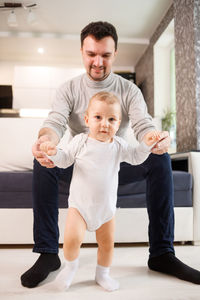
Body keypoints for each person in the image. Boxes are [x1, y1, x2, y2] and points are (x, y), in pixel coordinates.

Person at [21, 21, 200, 288]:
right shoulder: (68, 89)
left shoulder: (129, 90)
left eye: (105, 55)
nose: (97, 62)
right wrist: (45, 142)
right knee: (42, 163)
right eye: (91, 54)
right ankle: (48, 253)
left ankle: (162, 252)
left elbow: (143, 126)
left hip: (114, 164)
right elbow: (55, 123)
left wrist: (155, 139)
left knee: (159, 158)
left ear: (115, 53)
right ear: (82, 52)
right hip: (77, 164)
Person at [40, 91, 160, 291]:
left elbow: (136, 157)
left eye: (111, 119)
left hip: (106, 209)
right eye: (98, 117)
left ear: (119, 123)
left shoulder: (119, 145)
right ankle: (70, 268)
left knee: (107, 244)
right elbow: (65, 160)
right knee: (71, 240)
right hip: (80, 206)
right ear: (87, 119)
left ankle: (102, 274)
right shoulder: (80, 141)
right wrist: (54, 153)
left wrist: (146, 145)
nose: (105, 123)